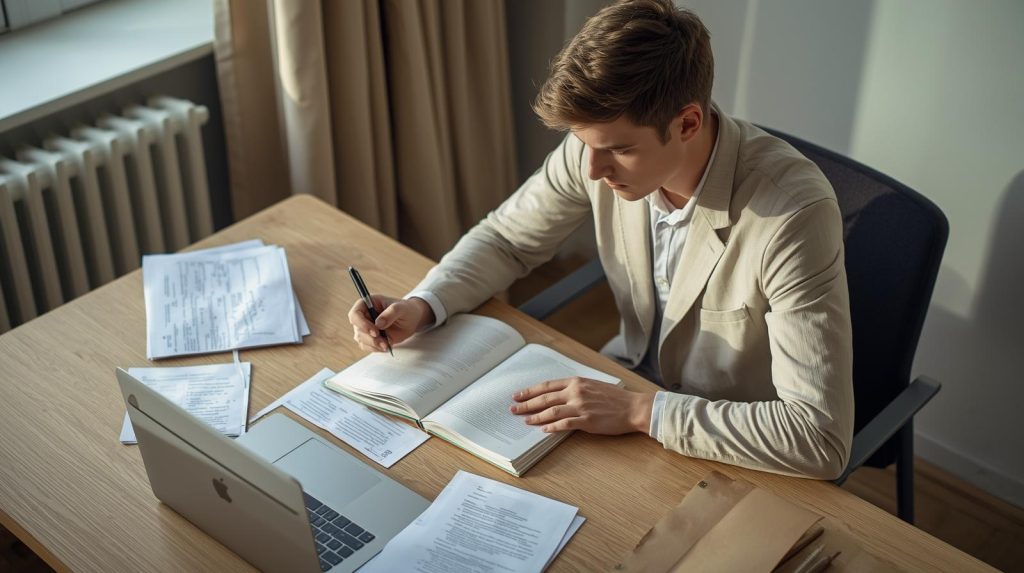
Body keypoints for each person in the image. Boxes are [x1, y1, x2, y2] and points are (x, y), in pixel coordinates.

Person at [347, 0, 853, 480]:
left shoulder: (792, 215)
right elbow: (506, 238)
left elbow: (818, 438)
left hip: (730, 440)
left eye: (618, 150)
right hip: (621, 388)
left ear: (688, 123)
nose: (592, 169)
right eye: (583, 144)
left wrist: (639, 410)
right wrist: (425, 304)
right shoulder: (594, 147)